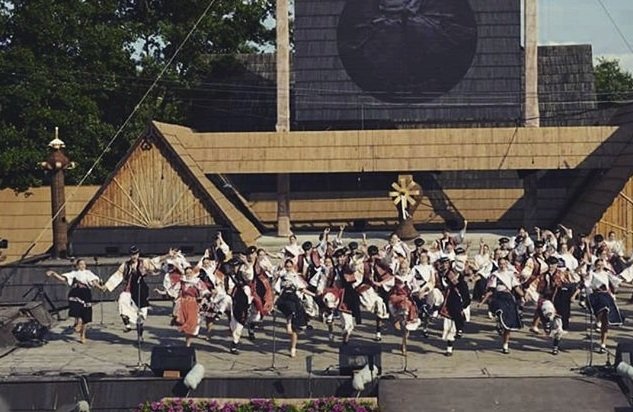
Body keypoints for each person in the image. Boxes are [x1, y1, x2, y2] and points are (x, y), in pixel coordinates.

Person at [104, 246, 171, 337]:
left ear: (138, 254)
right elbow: (117, 276)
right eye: (132, 254)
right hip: (129, 289)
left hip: (140, 289)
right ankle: (127, 324)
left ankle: (140, 334)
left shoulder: (144, 263)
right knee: (122, 301)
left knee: (141, 314)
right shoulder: (125, 265)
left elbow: (155, 261)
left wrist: (168, 255)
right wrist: (107, 286)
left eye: (135, 254)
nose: (134, 256)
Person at [45, 259, 103, 343]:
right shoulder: (74, 273)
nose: (82, 265)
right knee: (77, 308)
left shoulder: (88, 273)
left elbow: (94, 281)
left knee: (86, 316)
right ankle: (78, 322)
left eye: (84, 264)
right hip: (76, 292)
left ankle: (82, 334)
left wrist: (100, 287)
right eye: (80, 264)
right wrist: (54, 273)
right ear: (77, 266)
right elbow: (63, 279)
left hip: (85, 293)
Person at [481, 256, 524, 354]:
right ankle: (499, 322)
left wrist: (523, 295)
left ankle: (505, 345)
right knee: (500, 311)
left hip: (509, 298)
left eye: (504, 263)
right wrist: (483, 301)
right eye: (500, 264)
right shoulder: (495, 275)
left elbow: (516, 287)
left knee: (508, 326)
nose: (502, 265)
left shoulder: (510, 274)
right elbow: (491, 290)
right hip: (499, 297)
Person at [584, 258, 624, 353]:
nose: (600, 266)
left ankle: (603, 344)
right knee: (603, 308)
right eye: (598, 264)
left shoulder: (606, 273)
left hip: (606, 295)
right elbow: (587, 284)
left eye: (602, 264)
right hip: (597, 296)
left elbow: (615, 280)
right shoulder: (592, 273)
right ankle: (598, 321)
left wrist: (622, 279)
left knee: (606, 319)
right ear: (595, 265)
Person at [174, 266, 209, 347]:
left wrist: (204, 295)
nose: (189, 274)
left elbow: (204, 291)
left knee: (191, 323)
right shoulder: (182, 282)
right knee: (184, 322)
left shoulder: (197, 282)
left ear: (193, 273)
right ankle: (188, 341)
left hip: (193, 304)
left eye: (190, 272)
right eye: (187, 273)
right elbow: (175, 290)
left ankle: (188, 343)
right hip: (183, 303)